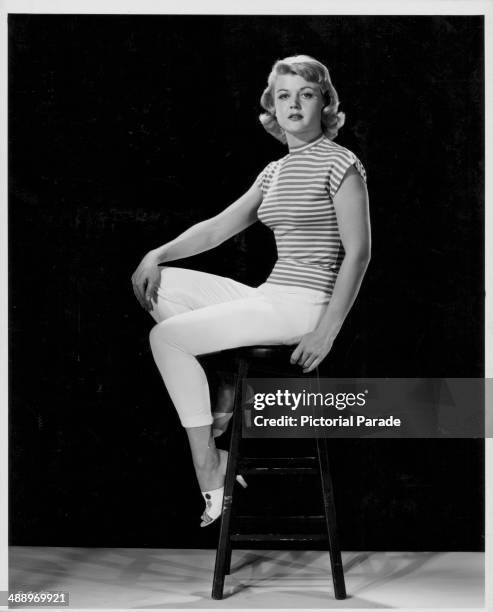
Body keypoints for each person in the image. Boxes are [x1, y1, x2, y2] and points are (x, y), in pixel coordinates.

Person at [131, 55, 371, 527]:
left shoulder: (342, 163)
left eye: (306, 93)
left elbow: (359, 253)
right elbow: (219, 228)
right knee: (159, 285)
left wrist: (327, 331)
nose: (294, 104)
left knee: (166, 339)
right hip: (271, 295)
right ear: (273, 108)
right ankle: (222, 377)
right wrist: (156, 253)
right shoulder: (274, 172)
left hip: (305, 305)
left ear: (325, 102)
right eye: (284, 96)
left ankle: (209, 462)